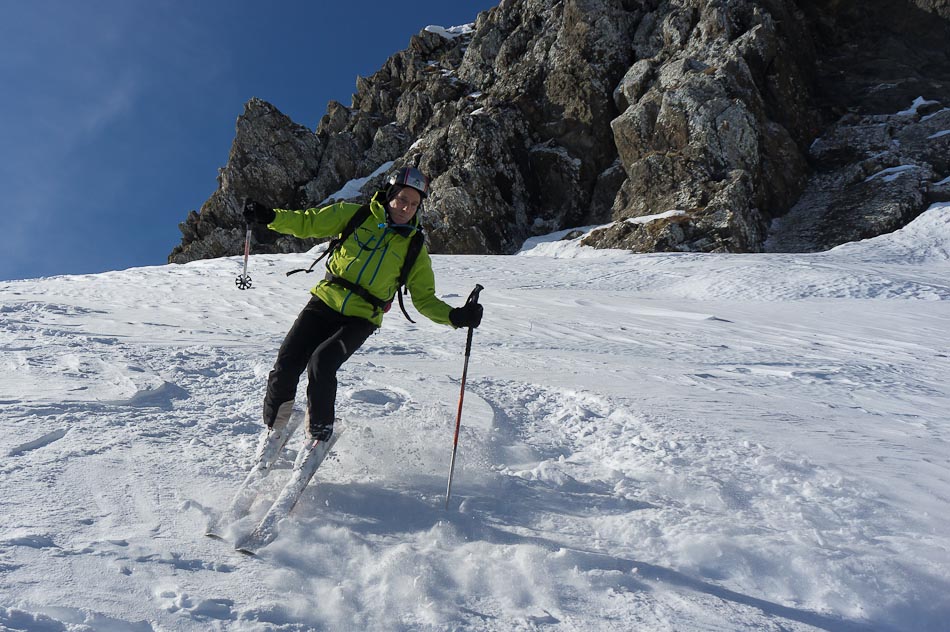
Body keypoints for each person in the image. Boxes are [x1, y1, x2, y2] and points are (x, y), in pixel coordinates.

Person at [242, 166, 483, 444]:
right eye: (403, 199)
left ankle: (318, 436)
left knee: (322, 363)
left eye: (414, 204)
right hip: (324, 302)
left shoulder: (414, 247)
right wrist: (270, 217)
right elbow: (307, 222)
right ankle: (274, 430)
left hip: (361, 318)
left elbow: (424, 299)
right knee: (285, 365)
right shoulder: (356, 215)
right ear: (390, 194)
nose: (407, 208)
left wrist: (455, 316)